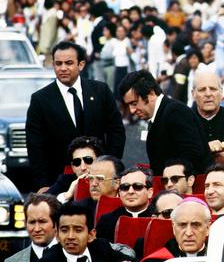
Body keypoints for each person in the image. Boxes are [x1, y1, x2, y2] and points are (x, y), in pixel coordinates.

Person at [26, 41, 125, 191]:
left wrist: (111, 169)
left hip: (100, 180)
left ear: (81, 65)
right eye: (58, 64)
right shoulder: (41, 99)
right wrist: (43, 184)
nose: (63, 68)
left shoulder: (100, 91)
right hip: (58, 180)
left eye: (69, 63)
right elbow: (35, 146)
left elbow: (116, 132)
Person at [119, 69, 210, 176]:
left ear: (151, 94)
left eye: (134, 103)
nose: (131, 110)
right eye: (128, 105)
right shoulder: (161, 113)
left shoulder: (175, 111)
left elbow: (192, 154)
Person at [40, 203, 132, 262]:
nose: (70, 236)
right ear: (57, 235)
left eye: (78, 230)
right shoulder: (49, 259)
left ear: (91, 235)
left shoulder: (101, 248)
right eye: (64, 230)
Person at [96, 166, 154, 243]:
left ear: (150, 192)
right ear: (119, 192)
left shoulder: (159, 218)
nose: (130, 191)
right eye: (125, 187)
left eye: (137, 186)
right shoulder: (106, 221)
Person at [142, 198, 211, 261]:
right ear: (174, 228)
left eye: (195, 225)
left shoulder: (219, 257)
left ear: (207, 228)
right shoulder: (156, 260)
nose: (188, 233)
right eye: (182, 225)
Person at [6, 194, 61, 262]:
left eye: (42, 222)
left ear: (56, 223)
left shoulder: (72, 257)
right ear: (25, 224)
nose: (36, 229)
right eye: (32, 222)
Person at [48, 136, 104, 202]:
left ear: (100, 162)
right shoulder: (65, 181)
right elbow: (39, 205)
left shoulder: (110, 180)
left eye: (88, 160)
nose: (83, 167)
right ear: (73, 167)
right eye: (77, 162)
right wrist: (67, 195)